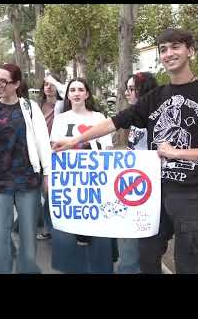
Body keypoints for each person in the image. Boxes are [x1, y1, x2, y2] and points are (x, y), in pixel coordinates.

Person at [53, 28, 198, 274]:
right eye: (163, 49)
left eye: (175, 47)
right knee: (147, 261)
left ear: (190, 51)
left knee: (190, 264)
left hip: (193, 196)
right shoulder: (155, 97)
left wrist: (179, 153)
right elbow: (115, 121)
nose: (168, 54)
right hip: (151, 195)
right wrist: (74, 141)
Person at [0, 63, 51, 274]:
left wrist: (47, 173)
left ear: (16, 84)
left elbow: (42, 142)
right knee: (0, 233)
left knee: (28, 235)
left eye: (4, 81)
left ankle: (27, 270)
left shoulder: (29, 107)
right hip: (0, 182)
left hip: (28, 180)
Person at [49, 78, 115, 273]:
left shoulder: (98, 117)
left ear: (87, 94)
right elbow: (54, 149)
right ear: (67, 95)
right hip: (70, 180)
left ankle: (101, 266)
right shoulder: (60, 119)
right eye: (72, 90)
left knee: (98, 225)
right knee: (72, 228)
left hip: (96, 178)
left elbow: (108, 148)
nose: (76, 93)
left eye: (80, 90)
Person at [117, 72, 158, 274]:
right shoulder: (134, 116)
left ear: (144, 91)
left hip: (147, 195)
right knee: (128, 248)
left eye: (131, 88)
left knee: (132, 253)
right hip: (132, 191)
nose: (126, 92)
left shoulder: (156, 121)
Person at [35, 75, 67, 240]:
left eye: (51, 84)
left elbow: (67, 91)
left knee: (57, 191)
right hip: (42, 152)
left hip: (60, 152)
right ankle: (49, 226)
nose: (48, 87)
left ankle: (57, 226)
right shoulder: (38, 106)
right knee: (46, 191)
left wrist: (56, 83)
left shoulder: (63, 105)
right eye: (45, 84)